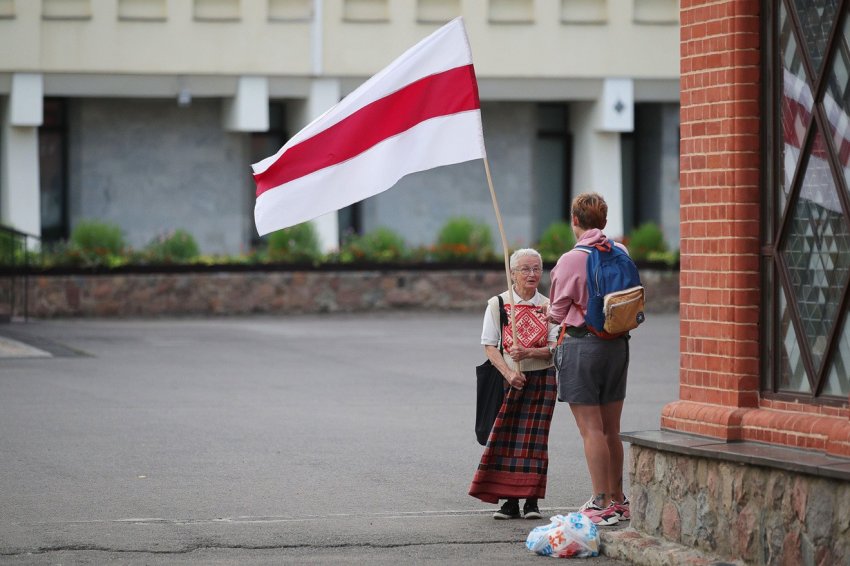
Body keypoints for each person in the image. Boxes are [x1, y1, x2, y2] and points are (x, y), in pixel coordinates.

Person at [547, 192, 631, 527]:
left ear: (575, 222)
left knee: (591, 430)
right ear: (604, 222)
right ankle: (619, 500)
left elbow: (556, 312)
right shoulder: (620, 251)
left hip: (583, 346)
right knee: (612, 429)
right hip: (617, 345)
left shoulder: (571, 259)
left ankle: (599, 503)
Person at [469, 248, 559, 520]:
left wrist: (530, 353)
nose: (531, 274)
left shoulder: (549, 306)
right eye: (525, 269)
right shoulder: (497, 304)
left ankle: (531, 501)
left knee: (534, 442)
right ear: (512, 274)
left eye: (536, 269)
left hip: (543, 379)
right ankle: (508, 502)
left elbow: (557, 346)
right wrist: (509, 373)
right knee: (506, 439)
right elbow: (489, 345)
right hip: (510, 380)